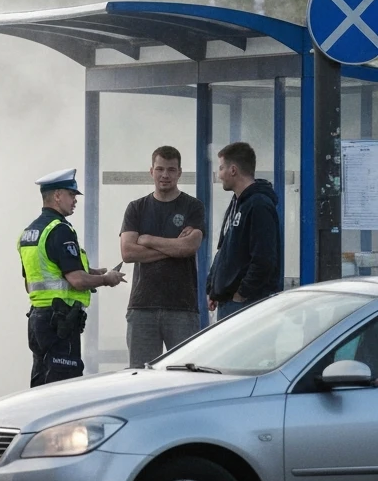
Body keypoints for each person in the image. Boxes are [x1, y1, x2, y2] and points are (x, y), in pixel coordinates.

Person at [19, 169, 126, 386]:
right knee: (63, 388)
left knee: (41, 385)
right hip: (60, 321)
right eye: (72, 194)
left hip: (38, 320)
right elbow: (76, 280)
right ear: (57, 195)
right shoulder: (60, 230)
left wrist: (93, 272)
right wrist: (106, 279)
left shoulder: (30, 232)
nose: (75, 200)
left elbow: (34, 281)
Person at [119, 146, 206, 367]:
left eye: (170, 169)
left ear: (179, 173)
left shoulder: (193, 207)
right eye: (159, 169)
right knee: (140, 377)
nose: (164, 175)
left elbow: (189, 248)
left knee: (185, 377)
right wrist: (173, 247)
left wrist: (147, 240)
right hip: (142, 307)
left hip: (182, 308)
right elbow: (128, 253)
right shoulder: (136, 208)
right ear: (151, 171)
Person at [206, 141, 282, 319]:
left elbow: (264, 259)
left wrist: (241, 294)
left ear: (233, 170)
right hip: (229, 302)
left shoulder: (258, 205)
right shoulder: (237, 203)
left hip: (247, 305)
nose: (219, 175)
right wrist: (213, 288)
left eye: (221, 168)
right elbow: (224, 249)